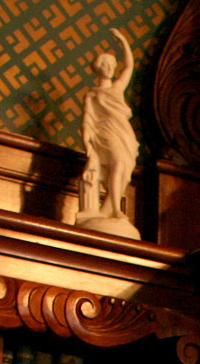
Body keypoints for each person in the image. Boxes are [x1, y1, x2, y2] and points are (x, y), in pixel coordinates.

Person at [77, 29, 138, 235]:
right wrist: (87, 145)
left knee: (125, 171)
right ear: (98, 68)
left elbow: (129, 66)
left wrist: (123, 41)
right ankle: (115, 209)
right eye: (105, 65)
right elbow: (87, 120)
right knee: (118, 163)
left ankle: (106, 209)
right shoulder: (93, 94)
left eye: (112, 65)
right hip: (105, 134)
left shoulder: (118, 87)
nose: (110, 68)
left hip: (123, 132)